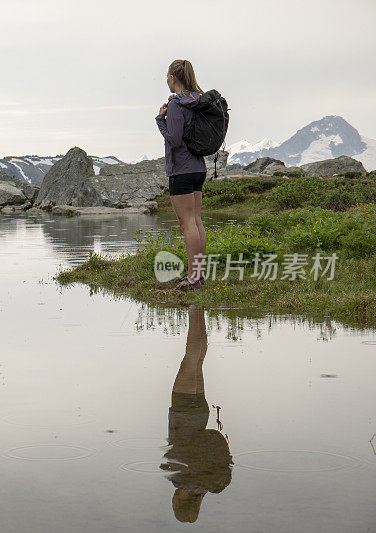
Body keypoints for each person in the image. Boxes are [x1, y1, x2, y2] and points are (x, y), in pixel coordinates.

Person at [160, 306, 233, 523]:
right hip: (184, 415)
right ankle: (194, 309)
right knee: (191, 360)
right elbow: (172, 455)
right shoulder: (180, 480)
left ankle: (198, 309)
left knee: (196, 361)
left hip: (200, 417)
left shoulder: (206, 484)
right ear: (178, 502)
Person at [156, 59, 208, 290]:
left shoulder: (177, 104)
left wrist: (161, 120)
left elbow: (175, 140)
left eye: (167, 76)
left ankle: (192, 277)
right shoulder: (197, 100)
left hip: (181, 170)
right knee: (196, 221)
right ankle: (199, 275)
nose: (166, 80)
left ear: (173, 78)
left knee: (187, 223)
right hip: (198, 168)